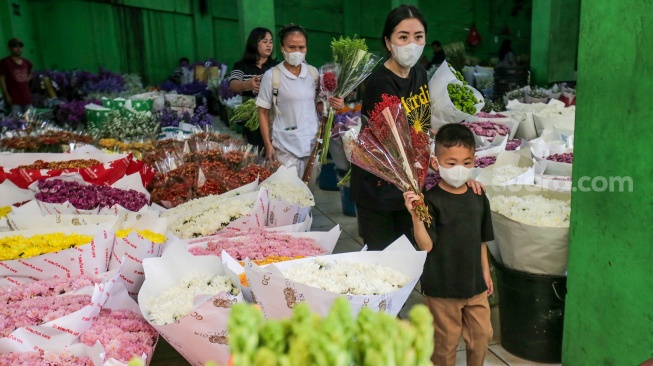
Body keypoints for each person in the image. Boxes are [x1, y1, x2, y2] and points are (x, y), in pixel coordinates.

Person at [404, 123, 494, 366]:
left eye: (466, 163)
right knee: (444, 345)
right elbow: (426, 246)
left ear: (474, 161)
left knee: (482, 335)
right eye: (451, 163)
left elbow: (481, 240)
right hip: (442, 287)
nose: (459, 170)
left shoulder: (478, 196)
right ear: (436, 163)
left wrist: (485, 273)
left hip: (474, 285)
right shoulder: (430, 202)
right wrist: (415, 215)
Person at [256, 24, 343, 178]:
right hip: (284, 146)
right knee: (289, 196)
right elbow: (262, 112)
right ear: (282, 48)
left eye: (301, 47)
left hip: (312, 144)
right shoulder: (272, 76)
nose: (297, 52)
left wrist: (334, 104)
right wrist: (268, 145)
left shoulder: (313, 73)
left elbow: (318, 105)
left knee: (308, 195)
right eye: (291, 47)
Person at [229, 27, 278, 148]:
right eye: (264, 42)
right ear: (254, 43)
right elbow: (234, 85)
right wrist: (248, 84)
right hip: (252, 119)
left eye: (271, 42)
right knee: (255, 152)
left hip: (273, 117)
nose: (269, 45)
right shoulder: (242, 65)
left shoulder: (276, 66)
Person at [0, 38, 33, 115]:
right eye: (15, 47)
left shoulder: (26, 62)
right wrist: (6, 95)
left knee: (30, 121)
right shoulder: (5, 62)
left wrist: (27, 80)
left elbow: (31, 71)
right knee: (17, 122)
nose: (18, 49)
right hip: (14, 99)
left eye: (20, 47)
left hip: (27, 98)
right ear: (10, 48)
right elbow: (2, 79)